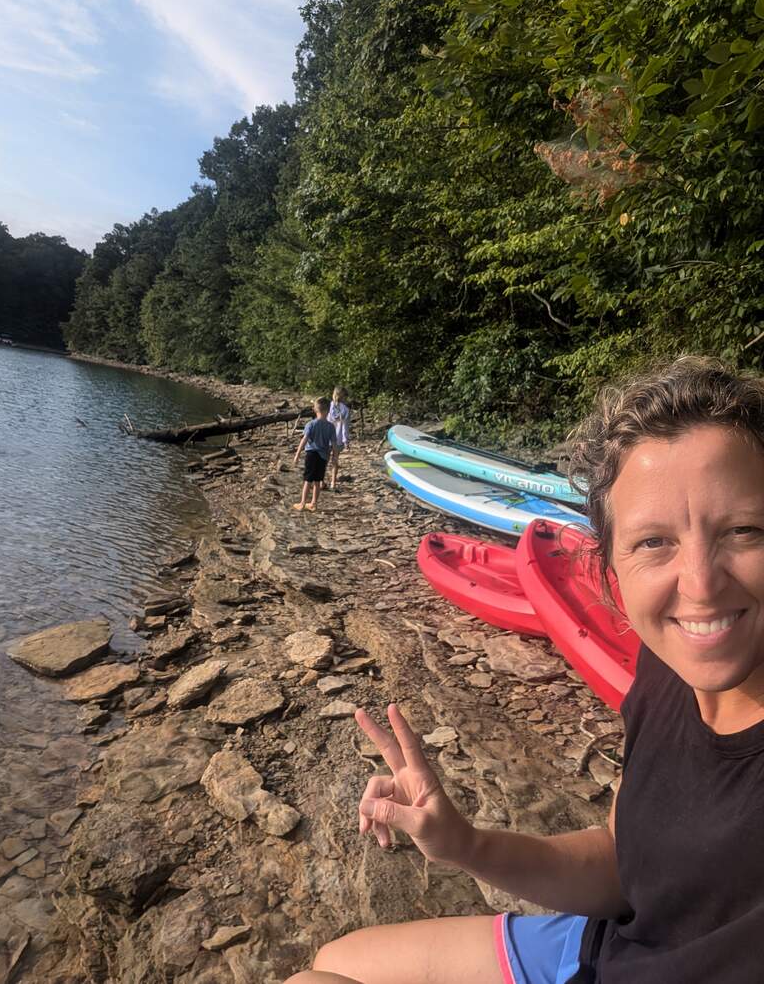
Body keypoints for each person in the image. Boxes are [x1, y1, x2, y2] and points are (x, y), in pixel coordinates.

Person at [284, 356, 764, 983]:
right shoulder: (670, 668)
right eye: (654, 542)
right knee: (331, 962)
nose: (699, 585)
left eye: (745, 530)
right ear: (611, 570)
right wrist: (466, 845)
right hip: (611, 943)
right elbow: (622, 863)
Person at [293, 397, 338, 512]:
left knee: (308, 480)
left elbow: (304, 439)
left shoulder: (311, 424)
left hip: (312, 454)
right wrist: (335, 457)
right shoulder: (331, 426)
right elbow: (334, 444)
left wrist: (297, 454)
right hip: (323, 456)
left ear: (315, 409)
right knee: (317, 481)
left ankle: (302, 503)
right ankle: (314, 503)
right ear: (328, 410)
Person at [327, 386, 351, 490]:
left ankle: (320, 481)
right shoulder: (345, 410)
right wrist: (346, 441)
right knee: (335, 461)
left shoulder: (329, 406)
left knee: (324, 460)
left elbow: (325, 422)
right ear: (344, 397)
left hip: (327, 437)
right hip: (338, 439)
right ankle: (333, 483)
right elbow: (345, 427)